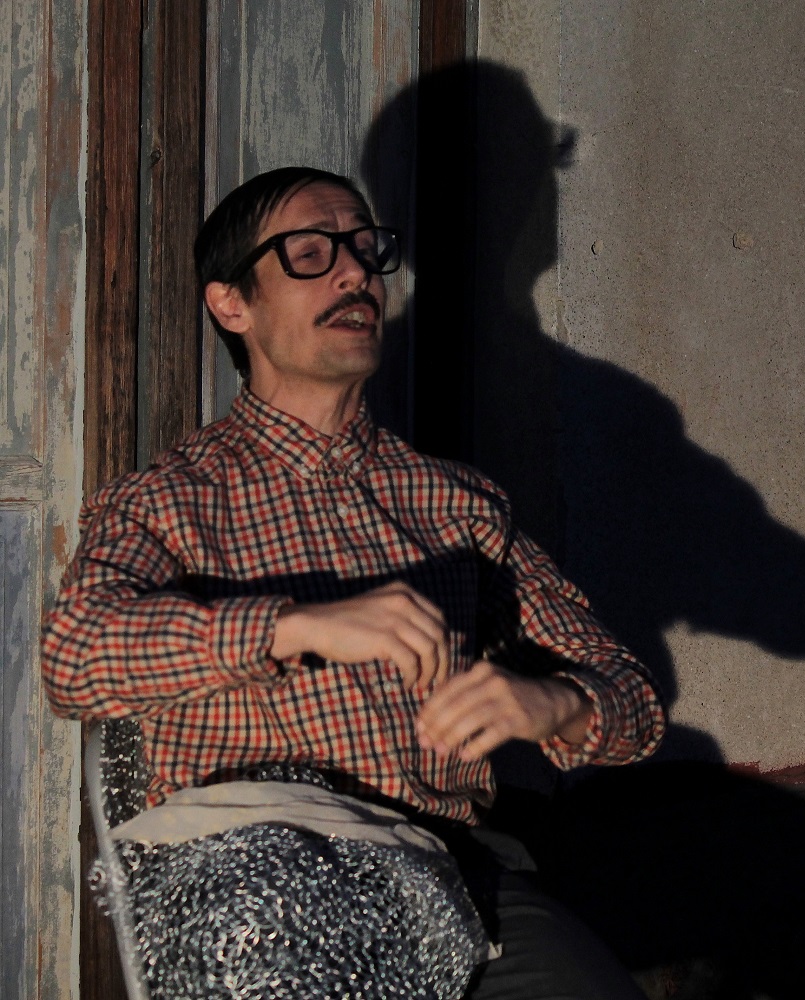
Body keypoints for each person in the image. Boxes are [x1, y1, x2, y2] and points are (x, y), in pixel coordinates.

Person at [42, 166, 664, 1000]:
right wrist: (295, 626)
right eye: (310, 253)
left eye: (367, 250)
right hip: (258, 860)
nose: (354, 274)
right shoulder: (168, 500)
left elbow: (632, 702)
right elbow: (73, 657)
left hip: (450, 865)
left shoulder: (457, 505)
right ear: (232, 304)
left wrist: (554, 704)